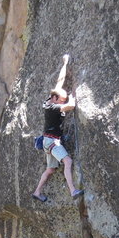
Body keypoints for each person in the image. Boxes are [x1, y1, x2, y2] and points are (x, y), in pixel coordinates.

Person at [32, 54, 84, 202]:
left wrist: (65, 64)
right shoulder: (53, 107)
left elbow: (59, 82)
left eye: (63, 101)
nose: (62, 102)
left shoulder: (49, 100)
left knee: (50, 169)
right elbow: (71, 106)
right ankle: (73, 190)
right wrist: (73, 95)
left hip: (48, 142)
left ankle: (37, 192)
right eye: (61, 101)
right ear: (55, 100)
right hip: (53, 143)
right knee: (68, 161)